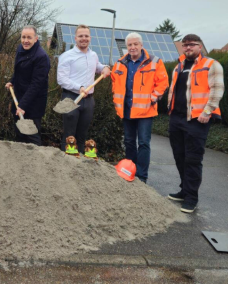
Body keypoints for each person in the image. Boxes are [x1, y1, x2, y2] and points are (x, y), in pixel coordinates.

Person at [167, 34, 224, 213]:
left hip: (197, 120)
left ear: (200, 46)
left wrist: (207, 111)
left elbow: (217, 90)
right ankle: (184, 190)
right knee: (179, 156)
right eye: (185, 45)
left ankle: (192, 198)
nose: (188, 48)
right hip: (177, 118)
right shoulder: (178, 67)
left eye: (192, 45)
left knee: (192, 159)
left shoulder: (211, 65)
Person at [111, 32, 168, 183]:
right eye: (130, 45)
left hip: (145, 111)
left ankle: (142, 176)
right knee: (129, 141)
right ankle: (129, 172)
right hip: (127, 109)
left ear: (141, 45)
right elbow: (114, 82)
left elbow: (163, 82)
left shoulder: (155, 62)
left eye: (136, 44)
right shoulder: (120, 63)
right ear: (126, 46)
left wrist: (154, 97)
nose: (133, 47)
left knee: (143, 143)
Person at [57, 25, 111, 154]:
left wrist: (104, 67)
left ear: (90, 38)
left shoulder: (93, 55)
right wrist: (79, 87)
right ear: (75, 38)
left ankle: (79, 162)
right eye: (81, 36)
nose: (84, 38)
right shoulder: (67, 56)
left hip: (88, 101)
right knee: (69, 136)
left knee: (82, 136)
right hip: (71, 98)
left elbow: (96, 66)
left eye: (86, 36)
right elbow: (61, 79)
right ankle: (66, 164)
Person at [5, 25, 50, 146]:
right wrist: (12, 81)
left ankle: (37, 161)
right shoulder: (21, 49)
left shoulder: (41, 57)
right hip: (19, 98)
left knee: (31, 136)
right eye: (23, 37)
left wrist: (23, 105)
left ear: (36, 39)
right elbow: (19, 70)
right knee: (19, 134)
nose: (25, 40)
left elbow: (36, 84)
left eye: (29, 38)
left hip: (33, 103)